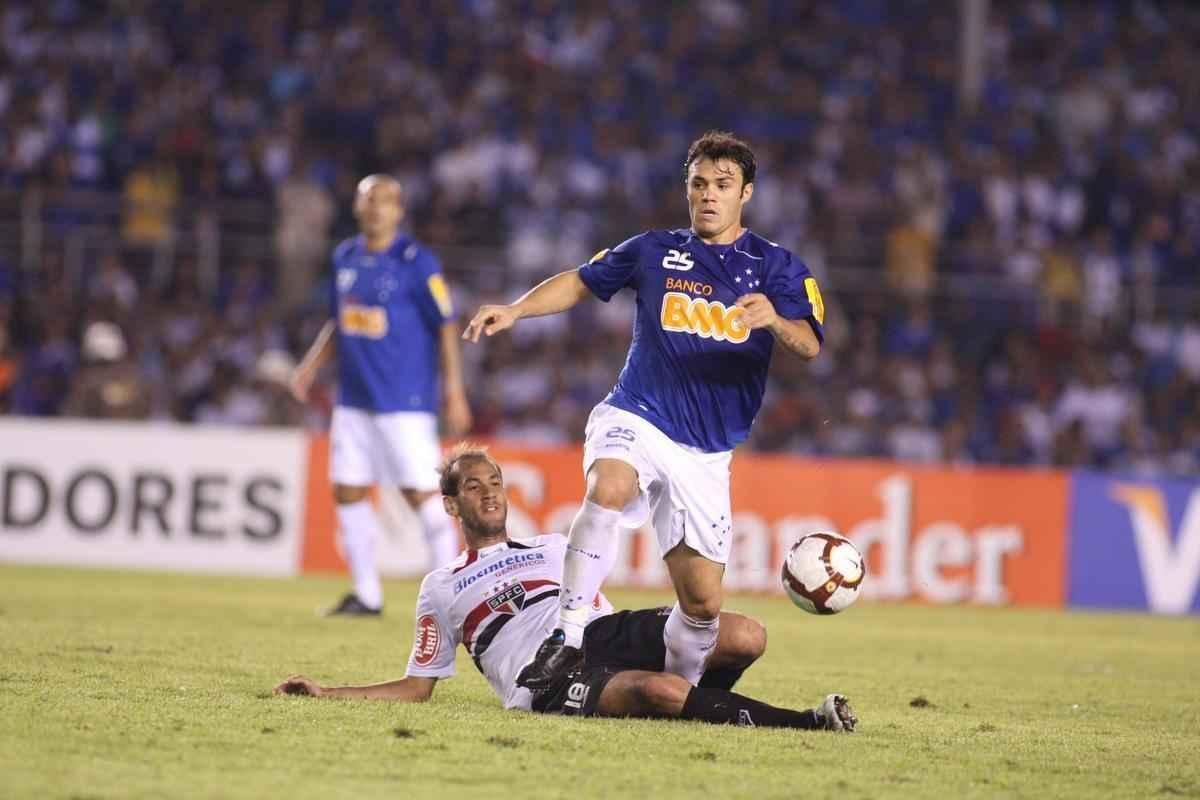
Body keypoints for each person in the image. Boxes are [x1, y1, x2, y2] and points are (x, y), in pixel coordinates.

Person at [463, 131, 825, 691]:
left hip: (705, 452)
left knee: (702, 605)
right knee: (607, 487)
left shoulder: (777, 268)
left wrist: (776, 320)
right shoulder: (655, 249)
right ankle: (568, 634)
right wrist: (516, 310)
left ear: (745, 194)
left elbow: (810, 344)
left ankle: (680, 692)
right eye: (698, 184)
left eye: (722, 186)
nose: (708, 195)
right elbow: (581, 283)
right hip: (637, 414)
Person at [274, 445, 857, 732]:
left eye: (496, 481)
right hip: (544, 678)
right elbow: (416, 688)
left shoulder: (556, 547)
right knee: (658, 691)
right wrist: (328, 693)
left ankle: (698, 706)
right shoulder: (441, 585)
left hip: (597, 632)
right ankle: (804, 723)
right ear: (451, 504)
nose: (490, 492)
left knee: (746, 635)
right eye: (474, 486)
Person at [291, 175, 472, 616]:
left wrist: (454, 391)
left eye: (385, 201)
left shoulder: (416, 261)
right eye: (369, 200)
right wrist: (312, 365)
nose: (376, 209)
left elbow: (446, 324)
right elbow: (340, 319)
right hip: (353, 401)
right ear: (356, 207)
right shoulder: (345, 256)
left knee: (421, 494)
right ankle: (367, 594)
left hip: (403, 403)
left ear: (399, 210)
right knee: (348, 490)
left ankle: (452, 597)